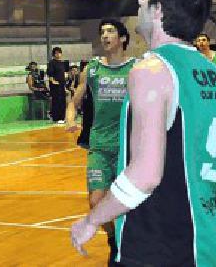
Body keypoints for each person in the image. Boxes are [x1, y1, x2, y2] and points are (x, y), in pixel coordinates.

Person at [69, 0, 216, 267]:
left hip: (165, 243)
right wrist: (188, 180)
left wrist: (92, 220)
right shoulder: (214, 73)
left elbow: (146, 174)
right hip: (215, 240)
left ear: (159, 9)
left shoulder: (152, 70)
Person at [63, 19, 136, 262]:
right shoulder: (92, 69)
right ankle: (114, 241)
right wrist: (70, 118)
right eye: (102, 32)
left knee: (131, 204)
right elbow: (74, 101)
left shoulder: (136, 68)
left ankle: (131, 246)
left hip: (129, 147)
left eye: (110, 31)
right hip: (100, 146)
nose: (104, 36)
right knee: (96, 201)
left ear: (123, 38)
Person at [46, 47, 69, 123]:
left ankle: (62, 117)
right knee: (56, 101)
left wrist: (64, 86)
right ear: (53, 54)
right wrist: (53, 81)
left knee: (62, 100)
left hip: (62, 84)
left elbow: (64, 74)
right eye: (56, 53)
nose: (58, 54)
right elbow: (50, 74)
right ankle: (56, 117)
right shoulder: (51, 63)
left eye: (59, 53)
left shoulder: (62, 63)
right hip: (55, 85)